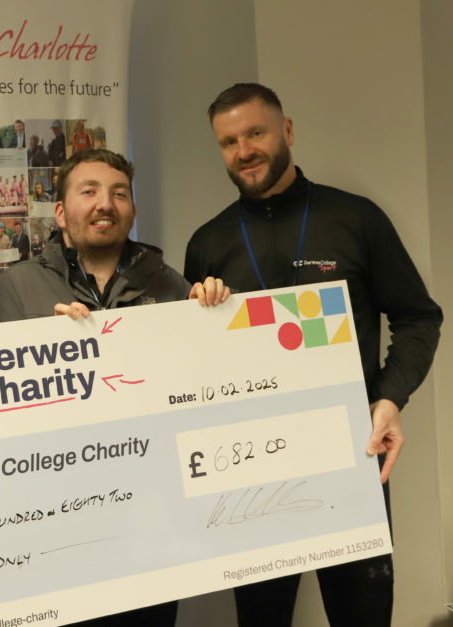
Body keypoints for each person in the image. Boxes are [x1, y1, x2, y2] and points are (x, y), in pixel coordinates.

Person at [184, 83, 442, 627]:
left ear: (288, 131)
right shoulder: (208, 242)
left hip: (350, 458)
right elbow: (195, 361)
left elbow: (419, 317)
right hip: (250, 473)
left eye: (255, 133)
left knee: (361, 616)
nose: (244, 150)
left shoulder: (356, 218)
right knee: (261, 618)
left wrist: (389, 399)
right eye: (229, 142)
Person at [0, 148, 226, 625]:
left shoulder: (170, 283)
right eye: (89, 191)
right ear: (60, 212)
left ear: (132, 210)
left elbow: (195, 395)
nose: (105, 204)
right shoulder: (19, 285)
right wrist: (46, 350)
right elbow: (0, 416)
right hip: (57, 525)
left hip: (151, 523)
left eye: (119, 194)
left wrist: (214, 320)